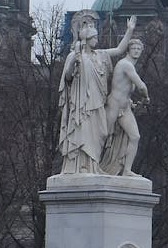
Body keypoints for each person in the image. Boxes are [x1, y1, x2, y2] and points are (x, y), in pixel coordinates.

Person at [57, 13, 137, 174]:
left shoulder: (100, 54)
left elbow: (120, 49)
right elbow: (67, 76)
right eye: (94, 38)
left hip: (98, 101)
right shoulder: (75, 55)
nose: (97, 41)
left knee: (101, 133)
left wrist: (129, 31)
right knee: (83, 133)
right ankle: (81, 167)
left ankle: (93, 166)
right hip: (82, 104)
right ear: (86, 39)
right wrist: (75, 60)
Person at [102, 38, 149, 176]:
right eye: (134, 48)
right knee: (103, 136)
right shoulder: (125, 64)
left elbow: (126, 91)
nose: (136, 51)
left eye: (139, 49)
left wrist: (132, 103)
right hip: (114, 105)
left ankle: (127, 170)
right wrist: (146, 97)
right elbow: (141, 86)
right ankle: (91, 164)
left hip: (124, 108)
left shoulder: (130, 65)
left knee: (135, 137)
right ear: (128, 50)